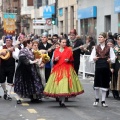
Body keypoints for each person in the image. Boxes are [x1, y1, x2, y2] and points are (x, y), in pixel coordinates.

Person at [44, 38, 84, 107]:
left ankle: (62, 101)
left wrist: (68, 60)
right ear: (60, 43)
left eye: (65, 42)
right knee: (58, 84)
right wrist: (56, 60)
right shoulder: (56, 50)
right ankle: (60, 98)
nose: (64, 44)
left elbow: (72, 60)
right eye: (63, 42)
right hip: (58, 69)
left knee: (64, 84)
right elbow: (54, 61)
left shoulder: (69, 50)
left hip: (67, 69)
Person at [90, 32, 116, 107]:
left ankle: (103, 101)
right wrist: (94, 58)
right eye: (99, 37)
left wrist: (110, 60)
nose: (99, 38)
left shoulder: (109, 48)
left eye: (101, 37)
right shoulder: (96, 47)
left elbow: (113, 57)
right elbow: (91, 57)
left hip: (105, 66)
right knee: (97, 83)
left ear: (105, 38)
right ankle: (96, 99)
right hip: (98, 66)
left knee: (105, 83)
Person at [14, 39, 43, 104]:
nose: (32, 45)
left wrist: (39, 60)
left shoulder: (31, 51)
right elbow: (24, 60)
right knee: (21, 84)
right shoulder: (23, 51)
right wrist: (34, 61)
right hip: (23, 70)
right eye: (31, 44)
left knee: (33, 83)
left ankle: (34, 97)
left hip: (31, 69)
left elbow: (34, 58)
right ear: (27, 44)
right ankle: (18, 99)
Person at [0, 35, 18, 100]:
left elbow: (17, 57)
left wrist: (12, 51)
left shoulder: (15, 49)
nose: (8, 42)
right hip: (3, 66)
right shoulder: (2, 47)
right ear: (5, 41)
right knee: (2, 81)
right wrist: (3, 52)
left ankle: (8, 95)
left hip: (11, 66)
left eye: (9, 40)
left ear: (11, 41)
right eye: (7, 40)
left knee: (10, 81)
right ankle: (5, 91)